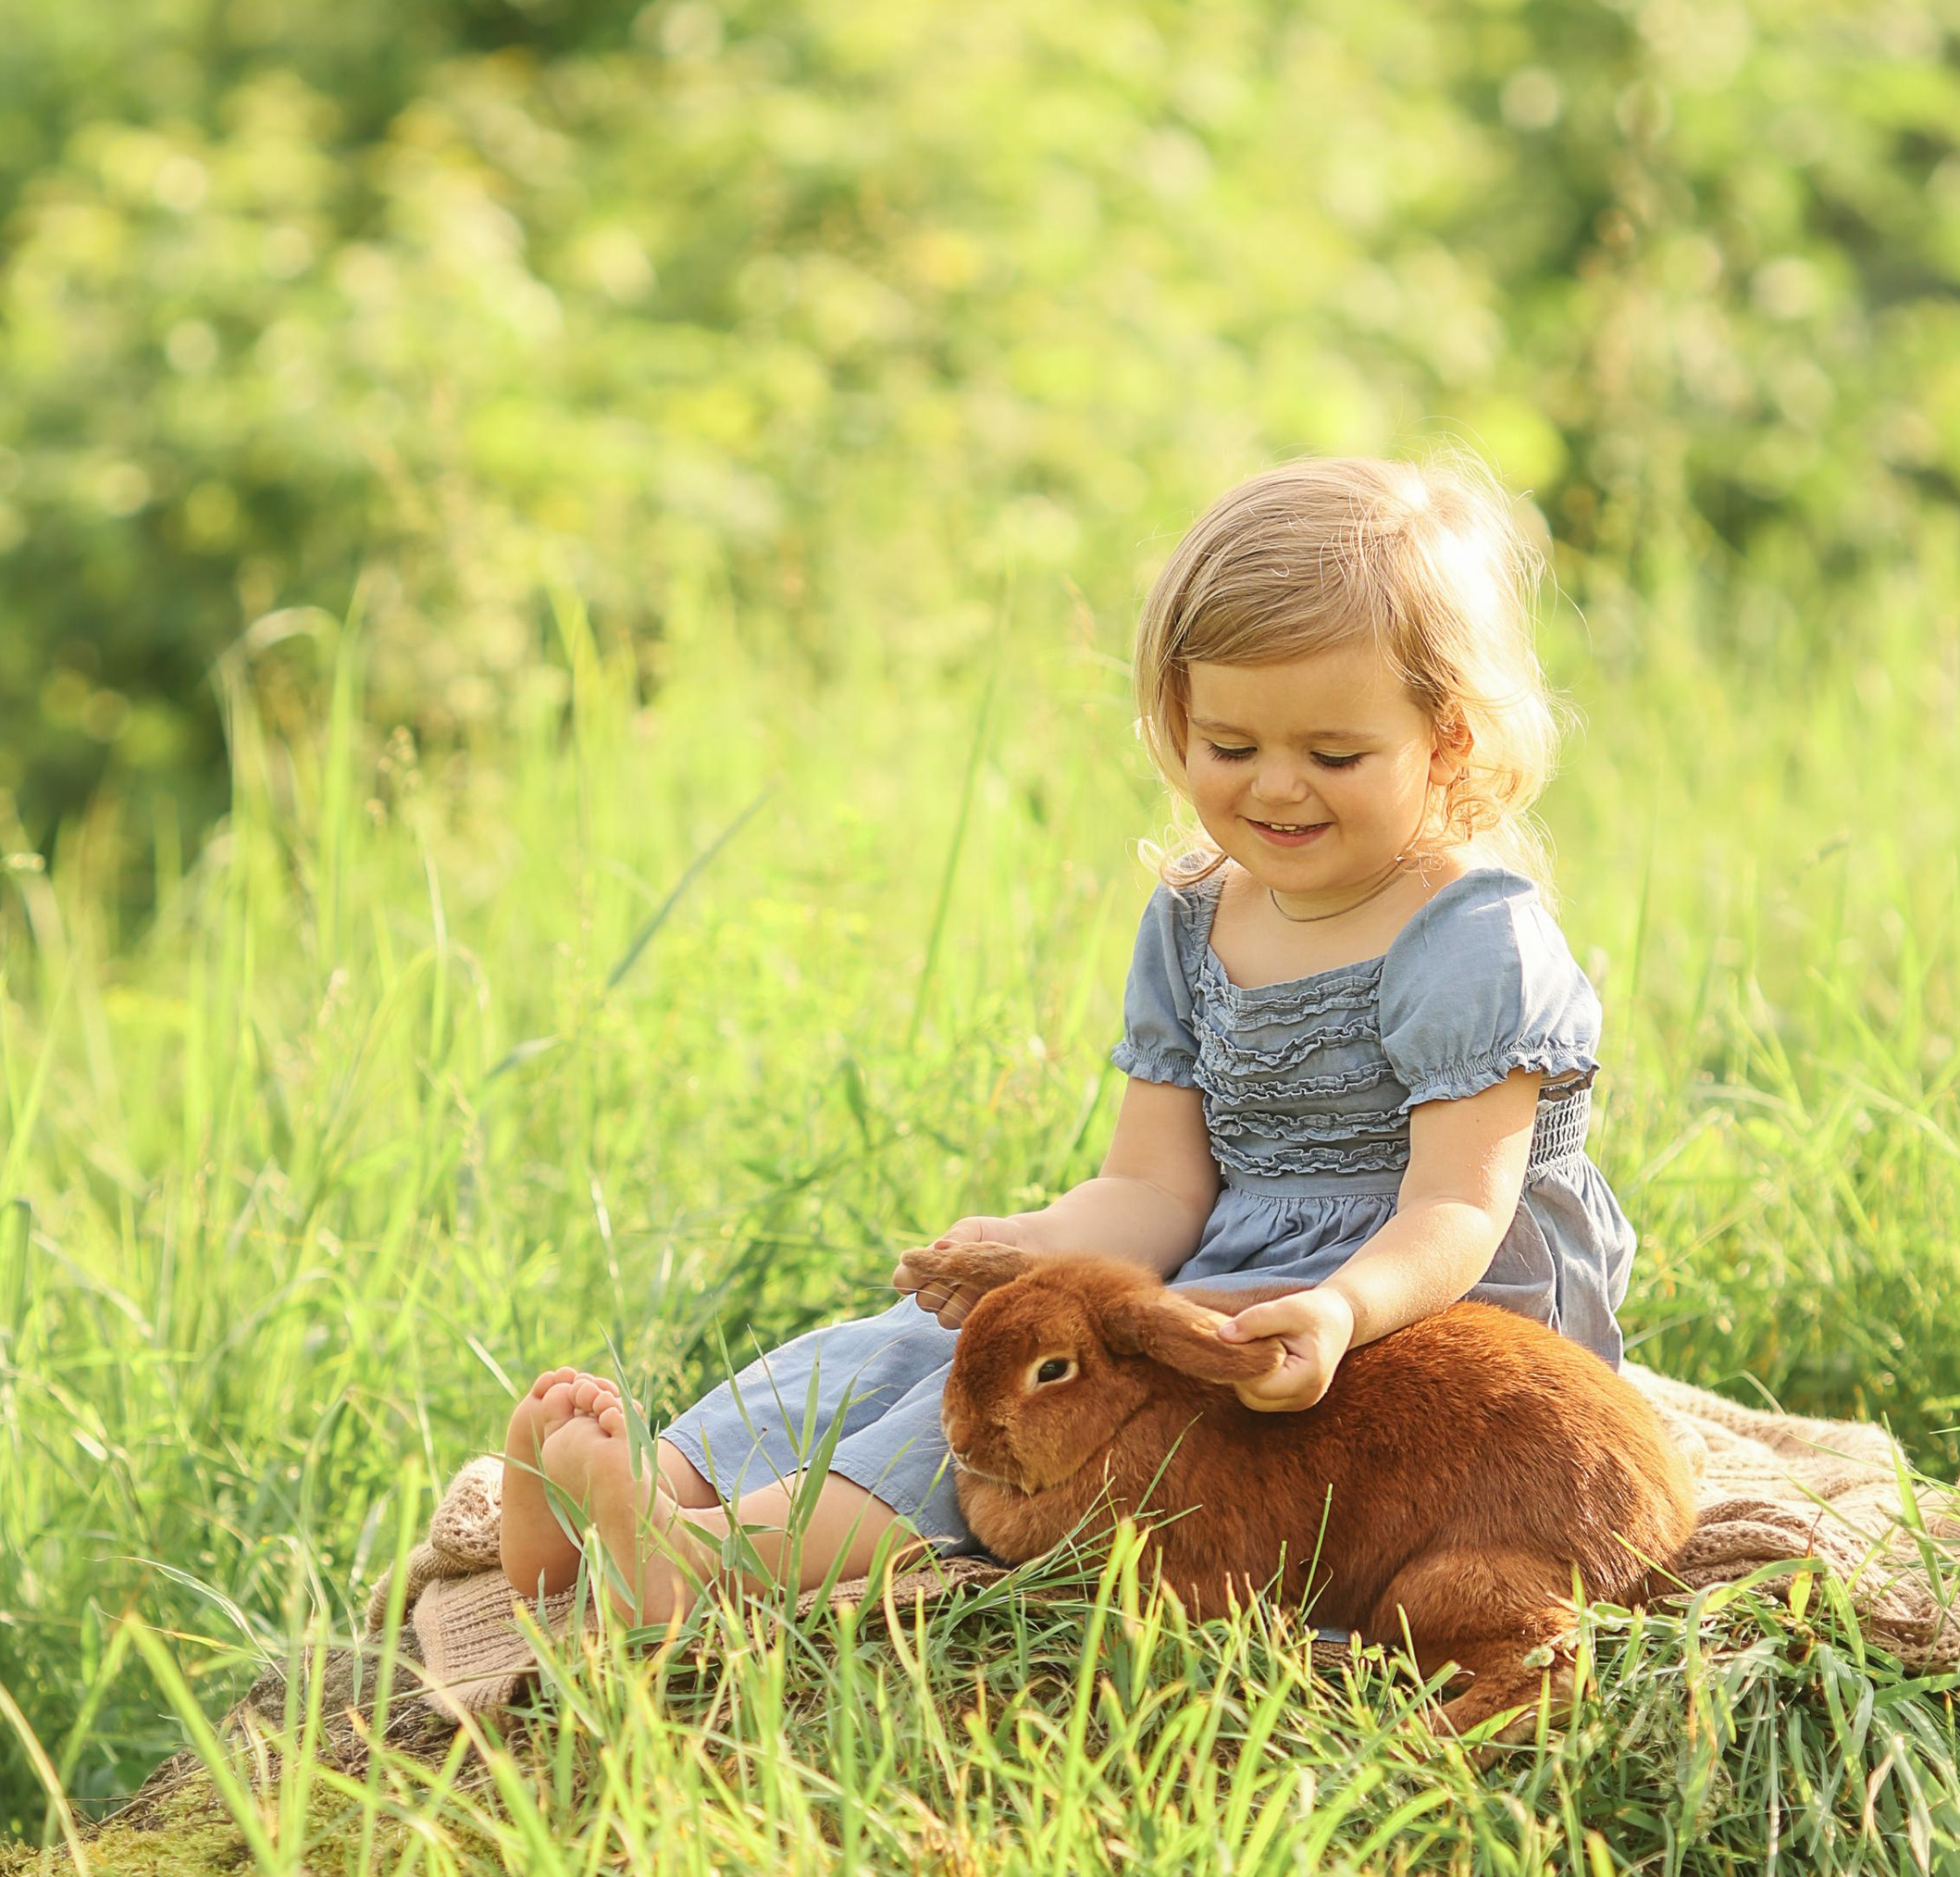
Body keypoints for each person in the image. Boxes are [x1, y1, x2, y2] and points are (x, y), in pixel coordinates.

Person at [498, 454, 1637, 1621]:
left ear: (1445, 741)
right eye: (1230, 748)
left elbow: (1457, 1209)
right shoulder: (1197, 916)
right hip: (1214, 1276)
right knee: (938, 1351)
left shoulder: (1468, 940)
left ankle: (712, 1561)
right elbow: (1152, 1186)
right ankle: (657, 1487)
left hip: (1418, 1320)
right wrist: (1035, 1243)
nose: (1278, 789)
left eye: (1332, 756)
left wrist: (1340, 1308)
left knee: (1073, 1417)